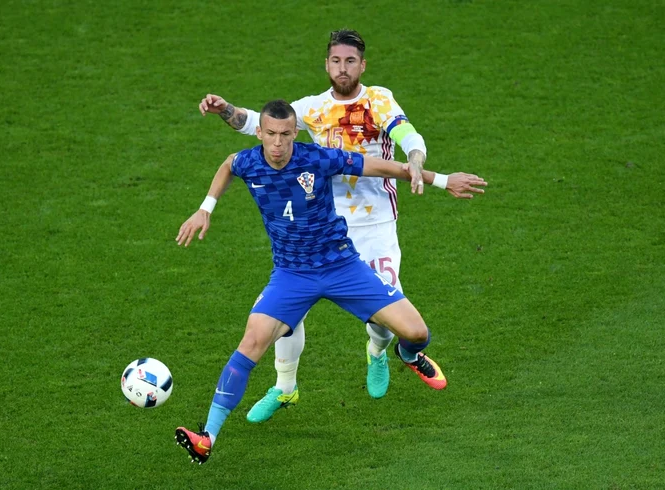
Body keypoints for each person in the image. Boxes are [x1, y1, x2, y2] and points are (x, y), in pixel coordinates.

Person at [174, 100, 487, 464]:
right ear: (259, 133)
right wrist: (205, 208)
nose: (278, 144)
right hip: (291, 276)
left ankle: (408, 355)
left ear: (296, 133)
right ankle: (207, 436)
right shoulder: (249, 162)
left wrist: (442, 179)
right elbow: (228, 164)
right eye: (271, 135)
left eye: (286, 135)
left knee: (417, 332)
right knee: (252, 341)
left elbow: (376, 166)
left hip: (341, 267)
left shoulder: (317, 158)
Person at [197, 30, 482, 422]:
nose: (342, 68)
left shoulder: (378, 99)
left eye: (350, 61)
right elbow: (260, 126)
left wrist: (421, 161)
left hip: (376, 223)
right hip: (323, 222)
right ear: (326, 65)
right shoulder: (311, 108)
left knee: (389, 321)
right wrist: (227, 108)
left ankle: (381, 352)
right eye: (336, 61)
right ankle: (284, 388)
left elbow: (406, 133)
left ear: (362, 65)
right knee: (285, 316)